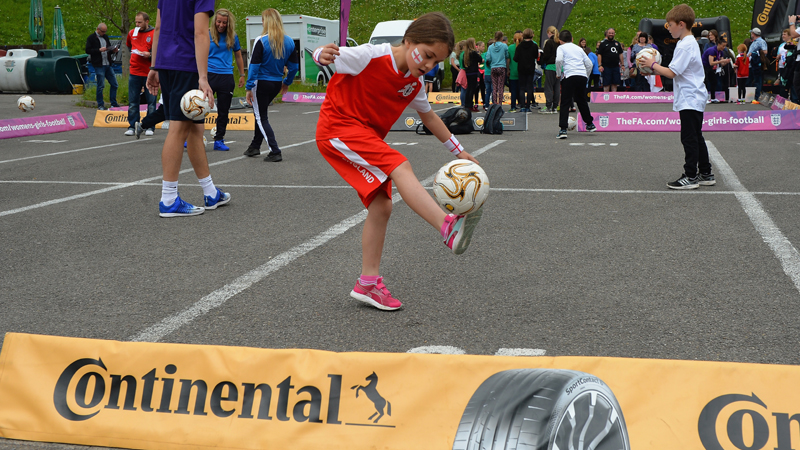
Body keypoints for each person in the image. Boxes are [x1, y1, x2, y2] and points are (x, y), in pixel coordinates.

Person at [312, 12, 482, 311]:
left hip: (365, 137)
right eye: (427, 55)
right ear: (409, 40)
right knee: (399, 164)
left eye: (435, 62)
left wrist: (460, 152)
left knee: (382, 205)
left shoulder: (414, 85)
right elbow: (328, 56)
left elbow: (430, 117)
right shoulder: (369, 55)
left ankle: (368, 283)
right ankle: (447, 227)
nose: (428, 66)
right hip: (338, 128)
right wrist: (320, 53)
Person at [146, 0, 230, 217]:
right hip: (186, 64)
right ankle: (169, 199)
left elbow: (158, 28)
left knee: (195, 130)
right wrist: (203, 77)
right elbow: (201, 33)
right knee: (179, 128)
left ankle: (210, 192)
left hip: (166, 62)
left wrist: (154, 66)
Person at [641, 3, 714, 190]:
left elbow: (672, 72)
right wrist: (654, 69)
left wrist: (652, 65)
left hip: (690, 97)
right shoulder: (686, 43)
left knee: (689, 137)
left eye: (670, 25)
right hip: (693, 95)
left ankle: (690, 176)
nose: (668, 28)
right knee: (696, 136)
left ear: (681, 24)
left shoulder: (686, 45)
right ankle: (706, 173)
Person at [243, 9, 299, 162]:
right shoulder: (289, 41)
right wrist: (286, 83)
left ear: (266, 22)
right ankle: (255, 146)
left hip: (260, 83)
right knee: (260, 114)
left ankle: (275, 151)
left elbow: (254, 66)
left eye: (262, 20)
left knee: (261, 117)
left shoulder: (261, 41)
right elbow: (294, 67)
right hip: (276, 83)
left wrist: (248, 88)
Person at [207, 8, 246, 152]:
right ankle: (192, 137)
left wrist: (242, 75)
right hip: (209, 75)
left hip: (226, 77)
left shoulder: (233, 36)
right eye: (219, 22)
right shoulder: (207, 33)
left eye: (224, 22)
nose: (221, 25)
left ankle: (219, 140)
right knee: (199, 108)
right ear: (214, 21)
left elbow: (238, 56)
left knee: (223, 111)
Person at [555, 29, 596, 139]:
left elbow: (558, 60)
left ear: (560, 40)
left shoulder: (561, 48)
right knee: (581, 100)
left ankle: (563, 129)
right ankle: (590, 124)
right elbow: (589, 64)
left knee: (565, 102)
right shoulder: (579, 48)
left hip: (569, 75)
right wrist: (585, 76)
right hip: (581, 75)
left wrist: (558, 73)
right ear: (572, 39)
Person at [125, 12, 156, 136]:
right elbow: (129, 46)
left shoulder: (154, 34)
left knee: (151, 102)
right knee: (133, 101)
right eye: (136, 22)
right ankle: (132, 126)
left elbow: (159, 52)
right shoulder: (132, 33)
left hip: (149, 72)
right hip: (135, 71)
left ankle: (149, 126)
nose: (137, 24)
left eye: (140, 22)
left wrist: (150, 54)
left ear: (147, 21)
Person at [86, 23, 120, 110]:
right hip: (99, 64)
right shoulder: (91, 38)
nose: (104, 33)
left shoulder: (105, 37)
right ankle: (100, 104)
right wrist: (98, 50)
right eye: (102, 31)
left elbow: (108, 48)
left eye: (105, 31)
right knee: (101, 85)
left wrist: (113, 50)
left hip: (108, 63)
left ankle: (113, 103)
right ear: (98, 29)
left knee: (114, 84)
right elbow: (88, 50)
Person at [514, 28, 539, 112]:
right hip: (530, 68)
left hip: (521, 68)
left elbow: (515, 58)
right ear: (532, 35)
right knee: (529, 87)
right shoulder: (534, 45)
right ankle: (528, 106)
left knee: (521, 87)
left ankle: (522, 106)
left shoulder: (520, 46)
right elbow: (536, 56)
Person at [486, 31, 510, 108]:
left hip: (493, 67)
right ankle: (499, 104)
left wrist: (490, 63)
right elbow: (507, 55)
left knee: (494, 86)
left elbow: (488, 58)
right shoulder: (504, 46)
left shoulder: (490, 47)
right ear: (501, 37)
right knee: (500, 86)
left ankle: (494, 103)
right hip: (502, 67)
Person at [702, 36, 730, 103]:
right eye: (723, 46)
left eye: (725, 46)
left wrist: (726, 62)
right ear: (719, 44)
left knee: (714, 82)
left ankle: (713, 98)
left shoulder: (721, 52)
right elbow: (711, 62)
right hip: (705, 66)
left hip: (713, 68)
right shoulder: (712, 50)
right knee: (706, 82)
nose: (724, 48)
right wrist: (721, 61)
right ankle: (704, 98)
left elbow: (722, 63)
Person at [540, 26, 560, 113]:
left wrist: (541, 60)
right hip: (559, 67)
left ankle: (548, 106)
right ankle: (555, 107)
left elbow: (546, 55)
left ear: (549, 33)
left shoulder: (549, 42)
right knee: (557, 87)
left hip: (550, 66)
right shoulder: (559, 42)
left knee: (548, 87)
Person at [597, 27, 624, 92]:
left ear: (614, 34)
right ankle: (606, 97)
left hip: (615, 66)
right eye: (609, 33)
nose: (611, 34)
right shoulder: (603, 44)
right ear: (607, 34)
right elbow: (599, 54)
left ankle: (613, 97)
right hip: (606, 67)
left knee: (615, 83)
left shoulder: (617, 44)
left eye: (612, 33)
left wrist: (622, 64)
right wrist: (600, 65)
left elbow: (620, 54)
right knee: (606, 83)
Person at [747, 27, 767, 103]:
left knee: (757, 81)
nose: (751, 34)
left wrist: (755, 53)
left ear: (754, 34)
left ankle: (757, 96)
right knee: (750, 80)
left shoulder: (761, 41)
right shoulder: (754, 42)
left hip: (757, 64)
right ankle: (750, 96)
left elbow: (765, 52)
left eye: (751, 33)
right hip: (751, 64)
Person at [463, 38, 483, 112]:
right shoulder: (474, 53)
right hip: (474, 72)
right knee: (472, 89)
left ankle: (467, 104)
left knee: (469, 89)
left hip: (468, 72)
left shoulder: (466, 53)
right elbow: (480, 59)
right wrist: (478, 52)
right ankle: (470, 105)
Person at [508, 31, 521, 112]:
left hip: (513, 71)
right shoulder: (522, 47)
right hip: (521, 71)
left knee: (513, 90)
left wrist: (507, 69)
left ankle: (513, 106)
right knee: (521, 89)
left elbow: (508, 60)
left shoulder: (510, 48)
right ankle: (521, 105)